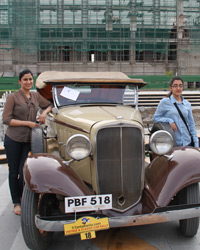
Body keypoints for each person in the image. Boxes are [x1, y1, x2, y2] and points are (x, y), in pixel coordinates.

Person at [3, 69, 53, 215]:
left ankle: (21, 196)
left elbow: (49, 104)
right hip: (13, 139)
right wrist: (28, 123)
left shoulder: (35, 95)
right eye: (25, 79)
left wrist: (44, 113)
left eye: (30, 79)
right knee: (13, 172)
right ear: (19, 81)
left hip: (27, 140)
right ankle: (16, 202)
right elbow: (6, 120)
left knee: (23, 170)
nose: (28, 82)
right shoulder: (13, 97)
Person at [153, 76, 198, 148]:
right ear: (171, 88)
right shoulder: (165, 102)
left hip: (187, 143)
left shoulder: (187, 104)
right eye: (175, 86)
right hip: (172, 143)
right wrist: (169, 121)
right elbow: (155, 118)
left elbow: (191, 124)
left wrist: (196, 144)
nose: (178, 88)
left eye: (180, 86)